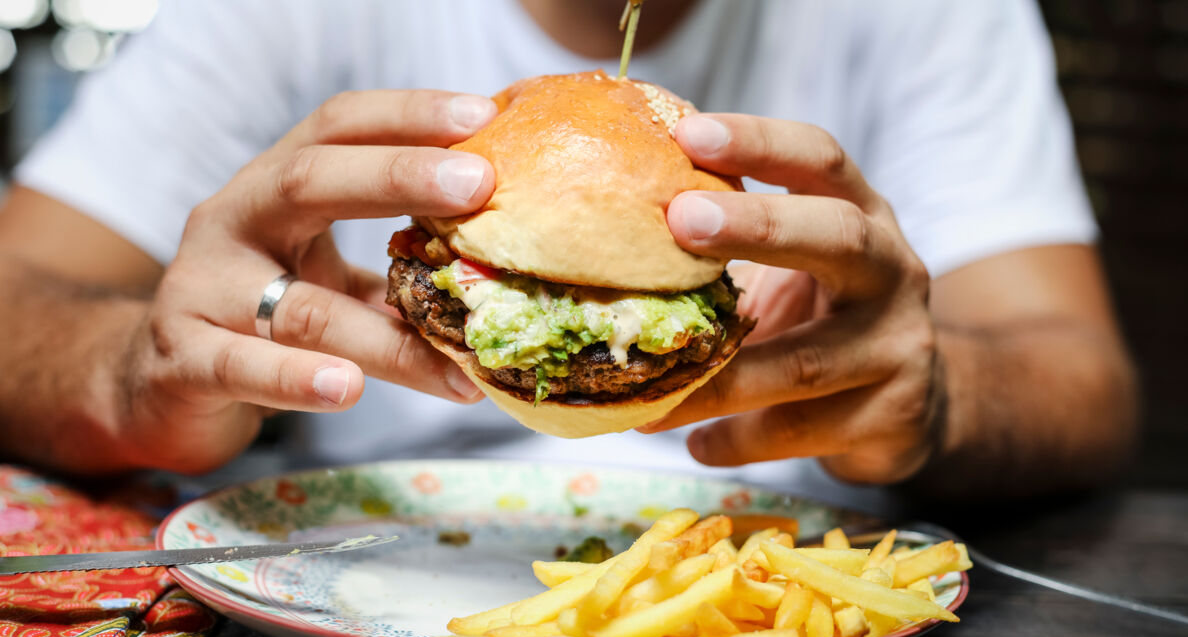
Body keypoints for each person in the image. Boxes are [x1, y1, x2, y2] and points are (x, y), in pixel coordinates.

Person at [0, 0, 1137, 504]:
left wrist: (936, 395)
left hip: (757, 571)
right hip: (370, 556)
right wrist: (126, 373)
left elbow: (1083, 377)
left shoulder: (928, 11)